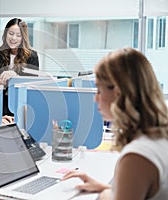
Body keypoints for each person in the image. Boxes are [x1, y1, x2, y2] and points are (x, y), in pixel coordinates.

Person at [62, 48, 168, 199]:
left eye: (99, 90)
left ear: (118, 94)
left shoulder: (137, 156)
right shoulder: (159, 136)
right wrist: (105, 187)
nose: (95, 98)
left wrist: (105, 193)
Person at [0, 18, 39, 116]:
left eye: (18, 35)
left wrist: (15, 77)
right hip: (2, 104)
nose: (13, 38)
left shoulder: (32, 56)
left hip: (22, 105)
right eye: (11, 33)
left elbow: (32, 86)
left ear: (23, 37)